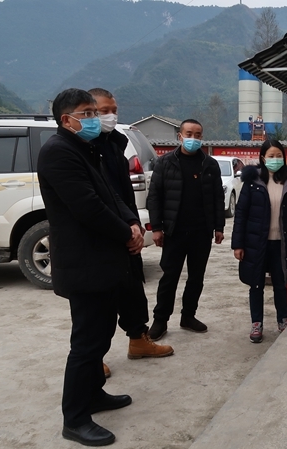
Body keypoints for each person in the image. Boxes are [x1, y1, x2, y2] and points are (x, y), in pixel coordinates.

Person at [38, 88, 143, 446]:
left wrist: (132, 223)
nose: (95, 118)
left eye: (95, 112)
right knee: (86, 343)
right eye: (87, 113)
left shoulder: (85, 147)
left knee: (101, 335)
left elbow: (111, 195)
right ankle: (75, 418)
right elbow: (88, 207)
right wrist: (125, 234)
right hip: (84, 264)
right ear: (66, 120)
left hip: (103, 261)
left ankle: (94, 394)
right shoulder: (58, 152)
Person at [88, 88, 174, 375]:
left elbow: (122, 192)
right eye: (103, 111)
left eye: (113, 110)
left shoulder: (117, 142)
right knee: (100, 302)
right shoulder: (82, 148)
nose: (110, 116)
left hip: (126, 225)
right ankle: (92, 357)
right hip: (102, 233)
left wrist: (133, 225)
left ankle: (138, 339)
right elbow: (96, 199)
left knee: (133, 289)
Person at [146, 119, 225, 340]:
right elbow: (154, 197)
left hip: (201, 231)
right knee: (169, 277)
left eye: (197, 135)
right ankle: (160, 320)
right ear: (179, 136)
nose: (193, 138)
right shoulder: (165, 163)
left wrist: (219, 227)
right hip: (174, 231)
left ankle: (188, 316)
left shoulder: (209, 164)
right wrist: (157, 228)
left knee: (196, 277)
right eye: (189, 134)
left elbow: (218, 198)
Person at [231, 139, 287, 343]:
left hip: (282, 243)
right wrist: (238, 244)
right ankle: (257, 323)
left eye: (279, 156)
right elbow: (241, 214)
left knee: (281, 284)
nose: (275, 159)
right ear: (263, 158)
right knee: (256, 284)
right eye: (271, 156)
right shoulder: (253, 181)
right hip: (256, 243)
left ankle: (283, 319)